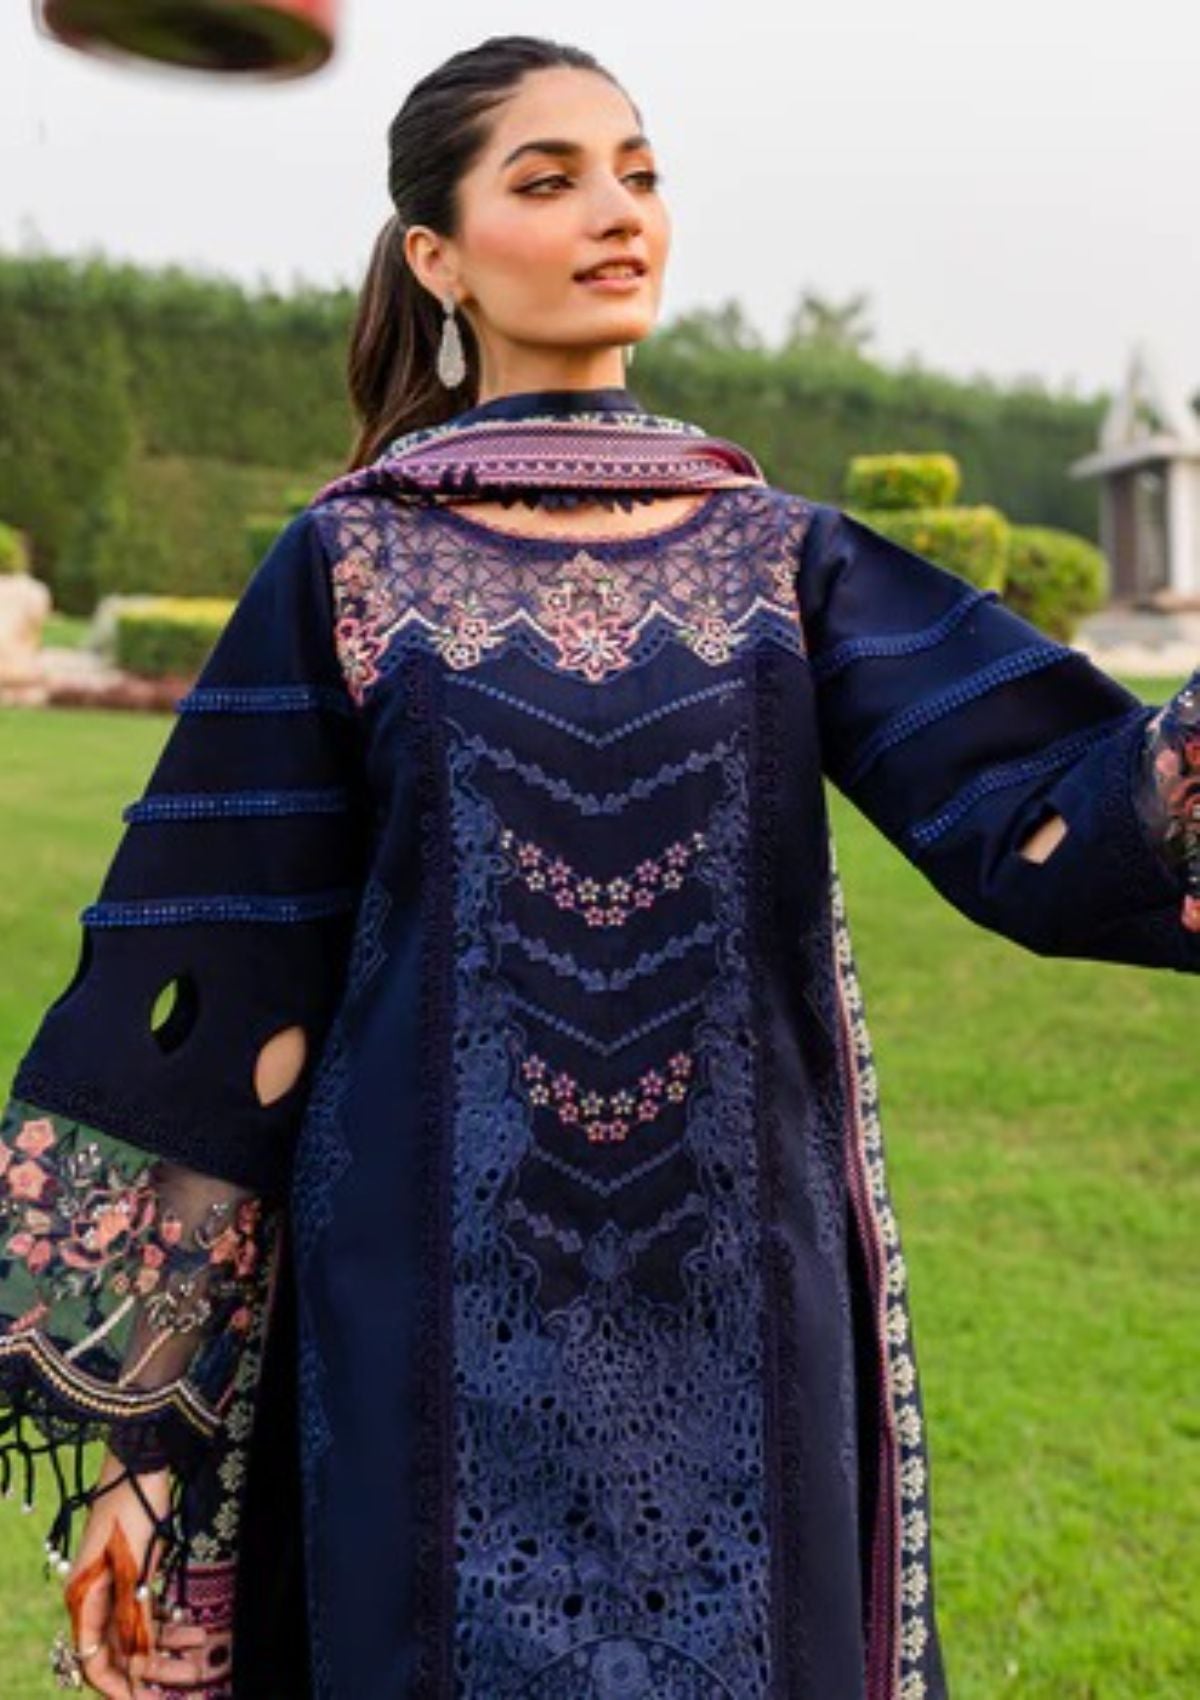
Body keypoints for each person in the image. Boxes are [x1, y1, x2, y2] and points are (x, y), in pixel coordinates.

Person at [1, 31, 1196, 1700]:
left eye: (638, 174)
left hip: (745, 1326)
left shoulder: (782, 558)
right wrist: (148, 1446)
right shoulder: (351, 562)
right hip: (416, 1322)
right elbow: (231, 995)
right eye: (550, 180)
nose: (617, 213)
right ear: (438, 257)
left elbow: (1050, 813)